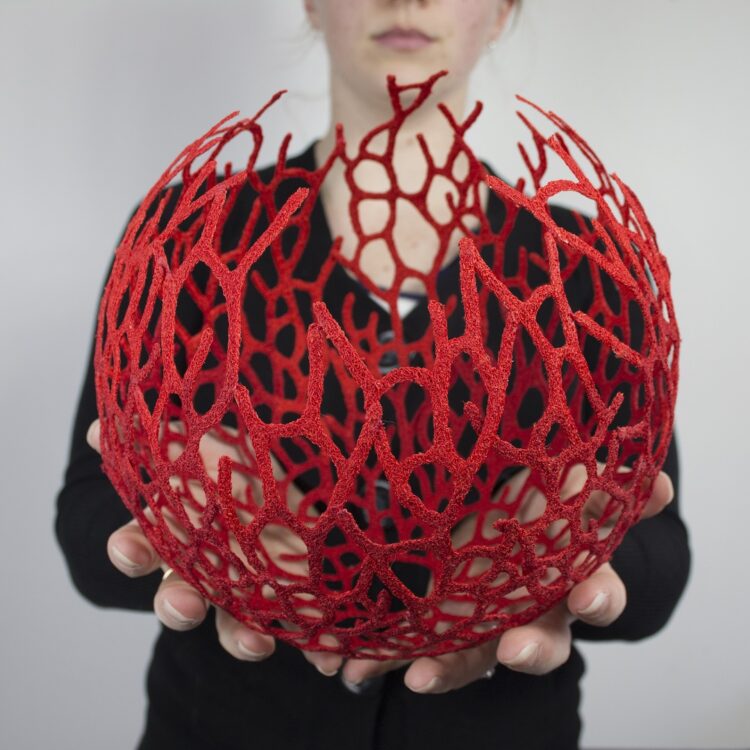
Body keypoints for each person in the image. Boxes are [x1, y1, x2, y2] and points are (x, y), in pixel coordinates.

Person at [55, 1, 691, 748]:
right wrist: (182, 519)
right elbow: (89, 512)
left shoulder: (585, 270)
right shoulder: (188, 241)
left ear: (503, 9)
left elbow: (658, 553)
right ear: (313, 5)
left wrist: (571, 562)